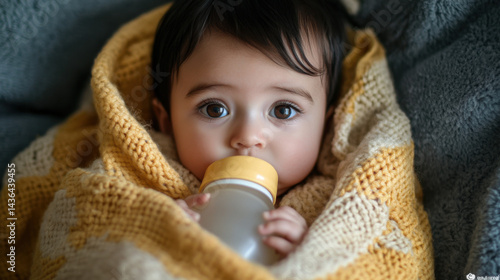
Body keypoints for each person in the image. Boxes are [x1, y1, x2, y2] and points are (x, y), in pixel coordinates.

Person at [150, 0, 347, 258]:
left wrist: (309, 255)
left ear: (326, 125)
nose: (248, 136)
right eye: (214, 109)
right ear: (167, 124)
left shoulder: (336, 207)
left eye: (282, 110)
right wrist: (154, 233)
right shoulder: (146, 192)